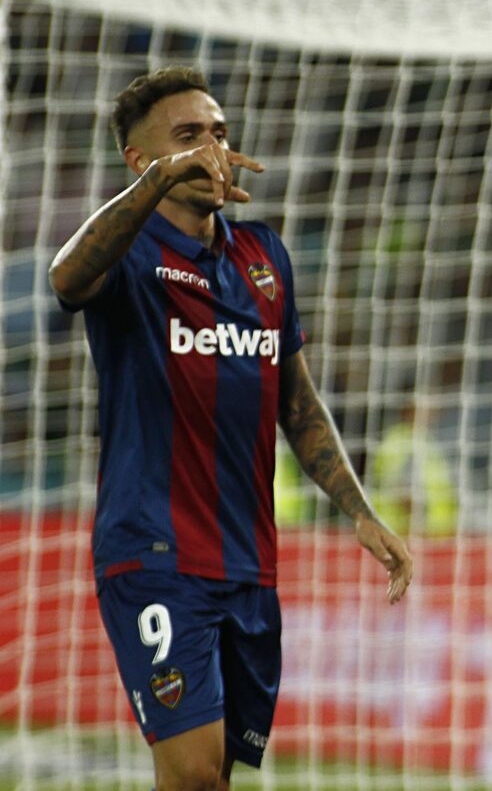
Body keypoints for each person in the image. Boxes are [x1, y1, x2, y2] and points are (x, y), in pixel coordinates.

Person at [49, 66, 413, 791]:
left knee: (219, 775)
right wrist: (158, 184)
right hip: (153, 551)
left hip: (248, 561)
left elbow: (297, 401)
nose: (211, 148)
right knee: (191, 771)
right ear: (139, 159)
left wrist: (359, 508)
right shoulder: (128, 253)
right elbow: (65, 278)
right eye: (187, 137)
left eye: (217, 132)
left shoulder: (263, 256)